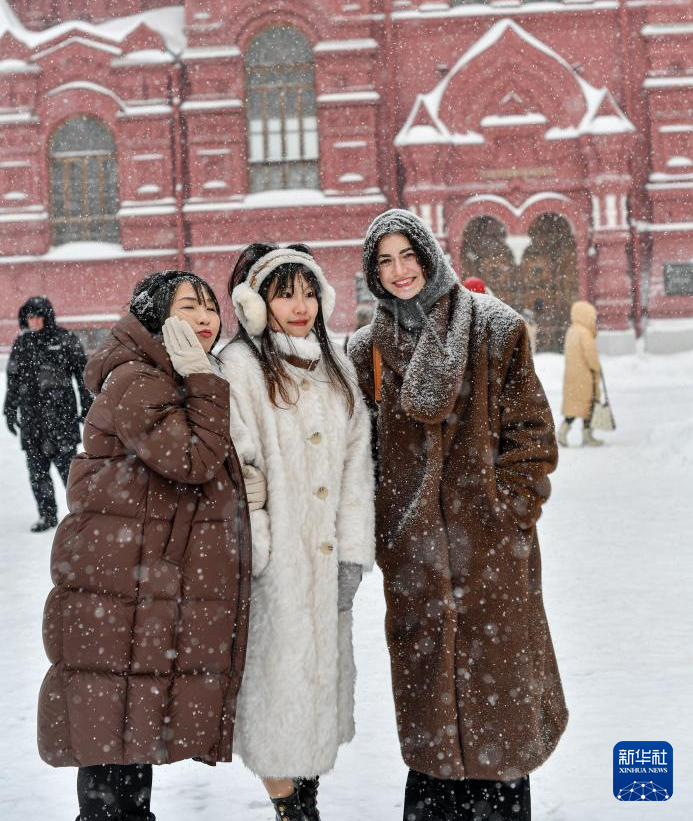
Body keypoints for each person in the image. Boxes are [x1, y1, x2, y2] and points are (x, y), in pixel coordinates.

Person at [348, 209, 567, 821]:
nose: (398, 272)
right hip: (413, 560)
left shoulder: (496, 329)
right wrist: (391, 533)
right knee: (430, 720)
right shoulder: (366, 350)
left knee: (500, 711)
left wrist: (506, 513)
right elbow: (361, 454)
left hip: (493, 556)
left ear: (429, 255)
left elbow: (531, 437)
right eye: (384, 261)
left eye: (407, 256)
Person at [37, 270, 255, 821]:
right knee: (113, 739)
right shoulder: (142, 377)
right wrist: (205, 379)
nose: (206, 318)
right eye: (190, 306)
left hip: (130, 580)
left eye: (211, 307)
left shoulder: (160, 373)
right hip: (117, 586)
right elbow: (191, 460)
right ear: (156, 314)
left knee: (123, 735)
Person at [221, 243, 375, 821]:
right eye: (285, 293)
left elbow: (358, 463)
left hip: (328, 560)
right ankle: (290, 807)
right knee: (272, 695)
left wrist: (353, 554)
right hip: (274, 568)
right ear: (258, 303)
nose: (301, 304)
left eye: (309, 291)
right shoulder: (240, 365)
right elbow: (239, 455)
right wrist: (260, 549)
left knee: (316, 695)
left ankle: (305, 800)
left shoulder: (336, 365)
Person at [3, 296, 92, 532]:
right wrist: (10, 410)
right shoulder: (22, 344)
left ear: (47, 317)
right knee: (37, 473)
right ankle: (47, 515)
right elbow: (13, 380)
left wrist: (87, 406)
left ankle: (83, 514)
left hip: (61, 420)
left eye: (37, 316)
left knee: (69, 473)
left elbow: (83, 377)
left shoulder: (64, 340)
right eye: (29, 317)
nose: (33, 322)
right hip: (32, 422)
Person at [558, 300, 603, 448]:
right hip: (585, 377)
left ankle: (563, 431)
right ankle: (587, 435)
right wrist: (598, 369)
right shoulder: (584, 333)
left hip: (572, 376)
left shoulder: (572, 330)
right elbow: (591, 356)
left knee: (575, 407)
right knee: (588, 406)